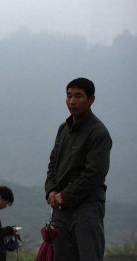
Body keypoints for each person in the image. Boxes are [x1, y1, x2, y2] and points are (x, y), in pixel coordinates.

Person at [45, 77, 112, 260]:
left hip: (87, 207)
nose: (72, 101)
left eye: (78, 96)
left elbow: (94, 174)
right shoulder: (63, 129)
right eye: (69, 96)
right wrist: (51, 190)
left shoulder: (98, 132)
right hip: (61, 210)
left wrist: (65, 196)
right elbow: (53, 164)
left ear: (91, 100)